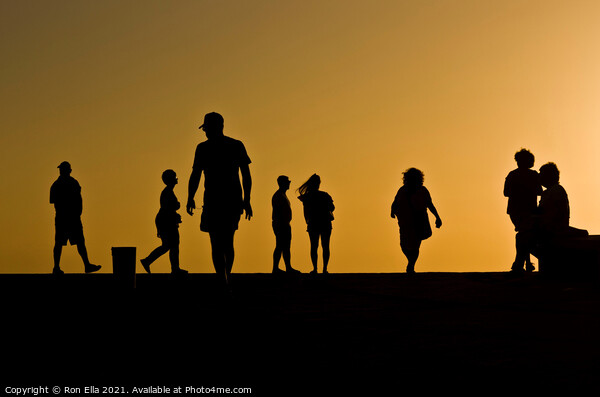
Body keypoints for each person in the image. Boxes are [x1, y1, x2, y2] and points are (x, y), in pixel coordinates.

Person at [187, 112, 252, 286]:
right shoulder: (235, 145)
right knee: (226, 241)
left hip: (216, 201)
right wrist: (247, 200)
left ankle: (222, 278)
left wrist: (190, 197)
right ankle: (224, 278)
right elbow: (246, 175)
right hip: (229, 200)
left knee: (217, 242)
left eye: (206, 128)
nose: (206, 131)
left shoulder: (204, 148)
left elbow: (196, 175)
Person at [50, 161, 101, 275]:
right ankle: (57, 267)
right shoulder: (67, 183)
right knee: (62, 243)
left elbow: (53, 200)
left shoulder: (61, 184)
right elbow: (54, 200)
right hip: (67, 218)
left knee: (77, 242)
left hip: (69, 218)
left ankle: (85, 265)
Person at [391, 168, 442, 274]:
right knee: (404, 245)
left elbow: (430, 204)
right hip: (405, 222)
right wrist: (392, 211)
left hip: (419, 220)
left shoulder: (423, 191)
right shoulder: (402, 190)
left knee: (416, 244)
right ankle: (411, 261)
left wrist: (437, 217)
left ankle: (411, 265)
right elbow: (395, 202)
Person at [140, 170, 188, 275]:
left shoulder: (168, 191)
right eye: (174, 177)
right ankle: (173, 268)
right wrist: (176, 210)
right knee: (172, 245)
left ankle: (150, 261)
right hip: (166, 221)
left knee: (170, 245)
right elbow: (168, 208)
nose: (177, 178)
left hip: (165, 220)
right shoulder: (167, 192)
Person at [504, 149, 542, 272]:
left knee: (523, 234)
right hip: (528, 211)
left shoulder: (512, 175)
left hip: (517, 211)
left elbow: (506, 193)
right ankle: (524, 263)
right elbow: (539, 191)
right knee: (525, 234)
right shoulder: (533, 175)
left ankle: (522, 263)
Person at [297, 174, 334, 274]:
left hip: (313, 223)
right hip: (325, 223)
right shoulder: (325, 195)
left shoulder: (307, 196)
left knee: (314, 246)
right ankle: (324, 269)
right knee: (325, 246)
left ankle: (315, 269)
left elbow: (306, 210)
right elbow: (332, 207)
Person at [272, 175, 300, 275]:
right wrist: (282, 223)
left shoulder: (282, 195)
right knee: (280, 245)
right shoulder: (279, 195)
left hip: (284, 224)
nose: (289, 183)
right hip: (281, 224)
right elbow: (278, 212)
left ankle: (287, 267)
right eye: (288, 181)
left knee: (285, 246)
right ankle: (276, 268)